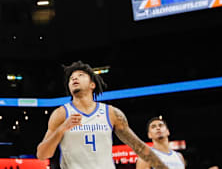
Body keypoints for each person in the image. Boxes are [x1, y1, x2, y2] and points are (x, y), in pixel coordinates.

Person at [36, 61, 171, 169]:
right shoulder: (61, 114)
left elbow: (139, 147)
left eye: (80, 75)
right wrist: (62, 129)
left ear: (92, 84)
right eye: (71, 78)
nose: (74, 78)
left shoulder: (111, 113)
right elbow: (42, 154)